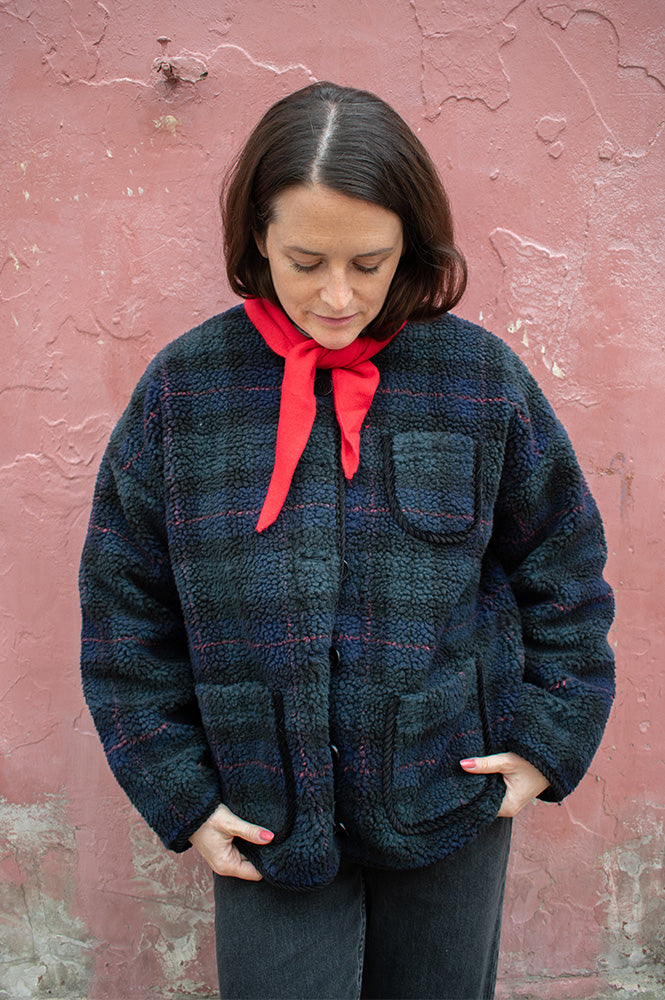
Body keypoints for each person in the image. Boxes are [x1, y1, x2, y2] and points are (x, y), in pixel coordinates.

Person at [79, 82, 615, 1000]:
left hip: (450, 795)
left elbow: (563, 567)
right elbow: (123, 610)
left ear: (411, 242)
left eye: (369, 263)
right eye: (305, 261)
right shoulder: (185, 391)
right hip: (263, 812)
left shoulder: (478, 380)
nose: (337, 295)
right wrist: (180, 795)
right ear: (257, 237)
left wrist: (546, 740)